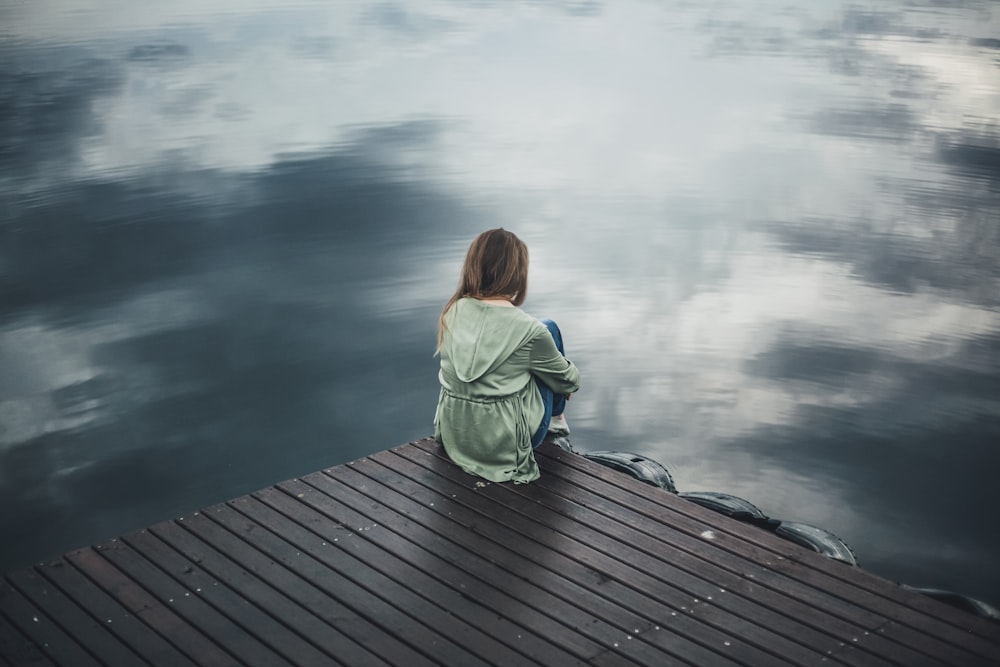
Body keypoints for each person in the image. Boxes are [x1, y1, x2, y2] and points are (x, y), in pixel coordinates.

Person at [434, 228, 580, 484]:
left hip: (456, 436)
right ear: (517, 272)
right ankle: (556, 419)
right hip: (505, 446)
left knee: (540, 340)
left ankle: (550, 402)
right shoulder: (530, 330)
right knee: (550, 329)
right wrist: (560, 376)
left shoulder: (452, 312)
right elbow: (571, 382)